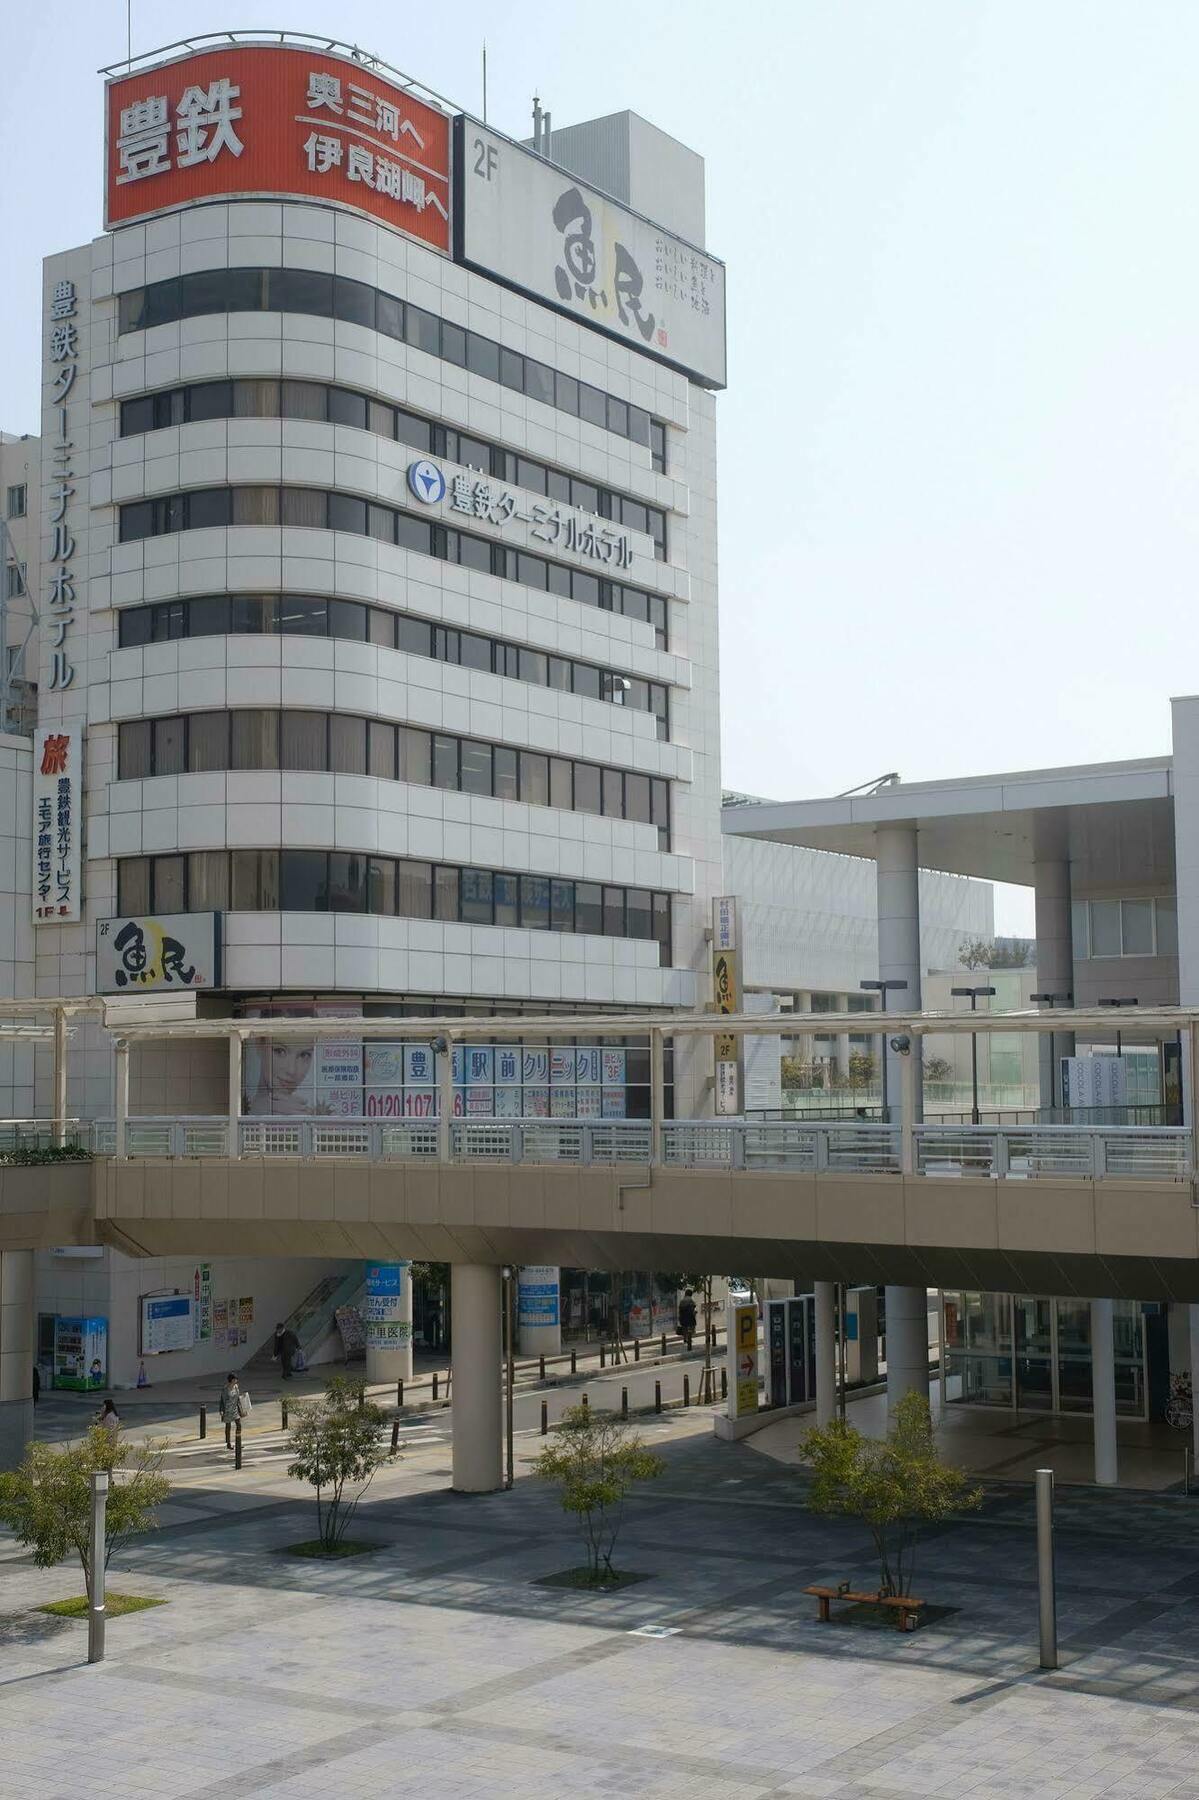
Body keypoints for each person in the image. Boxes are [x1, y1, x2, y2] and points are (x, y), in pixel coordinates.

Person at [218, 1373, 242, 1448]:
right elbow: (222, 1400)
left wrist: (241, 1405)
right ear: (231, 1380)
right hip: (227, 1410)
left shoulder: (236, 1387)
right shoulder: (225, 1389)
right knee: (228, 1427)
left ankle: (238, 1441)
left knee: (239, 1424)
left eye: (236, 1379)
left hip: (235, 1409)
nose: (236, 1380)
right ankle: (228, 1443)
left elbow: (238, 1398)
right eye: (235, 1379)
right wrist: (221, 1410)